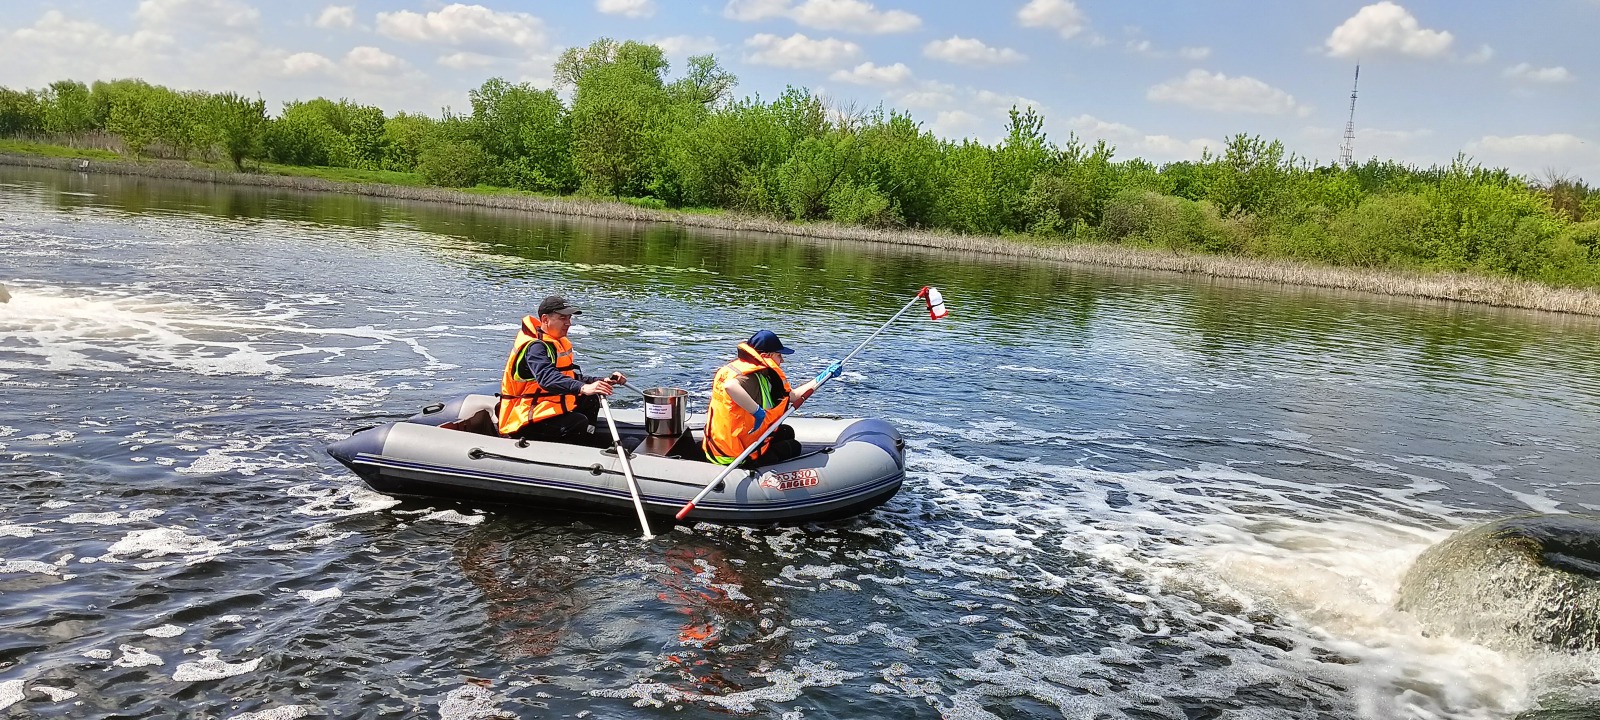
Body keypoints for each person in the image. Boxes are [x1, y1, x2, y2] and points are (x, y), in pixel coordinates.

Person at [496, 295, 625, 448]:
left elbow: (568, 376)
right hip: (522, 417)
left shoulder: (554, 342)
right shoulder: (535, 347)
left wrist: (601, 380)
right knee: (577, 421)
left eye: (569, 318)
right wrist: (583, 387)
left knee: (590, 400)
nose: (568, 323)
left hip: (543, 404)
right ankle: (573, 452)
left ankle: (587, 441)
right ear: (545, 319)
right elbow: (547, 379)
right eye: (563, 318)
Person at [702, 330, 842, 467]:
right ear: (765, 356)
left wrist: (823, 377)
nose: (782, 360)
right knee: (793, 447)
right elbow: (730, 386)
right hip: (736, 455)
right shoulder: (750, 377)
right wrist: (757, 412)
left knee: (787, 432)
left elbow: (792, 397)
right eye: (779, 355)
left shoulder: (740, 369)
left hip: (720, 444)